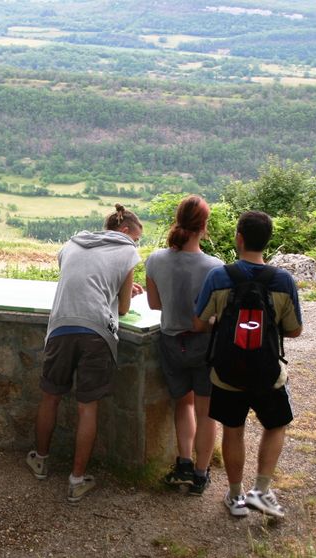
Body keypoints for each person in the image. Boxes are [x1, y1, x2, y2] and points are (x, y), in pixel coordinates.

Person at [26, 204, 143, 503]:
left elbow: (80, 280)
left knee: (50, 396)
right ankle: (77, 480)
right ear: (127, 231)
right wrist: (125, 291)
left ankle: (40, 460)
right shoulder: (128, 250)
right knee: (87, 407)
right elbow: (124, 308)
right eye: (137, 238)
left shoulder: (72, 244)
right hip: (96, 333)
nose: (136, 244)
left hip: (61, 326)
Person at [193, 210, 302, 518]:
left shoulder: (219, 276)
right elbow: (294, 330)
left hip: (227, 373)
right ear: (267, 241)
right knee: (276, 425)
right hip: (268, 373)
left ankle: (235, 496)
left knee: (233, 429)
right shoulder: (283, 280)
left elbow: (199, 323)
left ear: (239, 239)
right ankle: (262, 491)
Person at [145, 195, 223, 495]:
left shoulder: (155, 259)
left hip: (170, 342)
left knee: (183, 404)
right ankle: (201, 475)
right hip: (204, 345)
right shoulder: (215, 267)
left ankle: (184, 464)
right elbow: (218, 314)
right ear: (204, 226)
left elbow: (154, 304)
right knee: (206, 411)